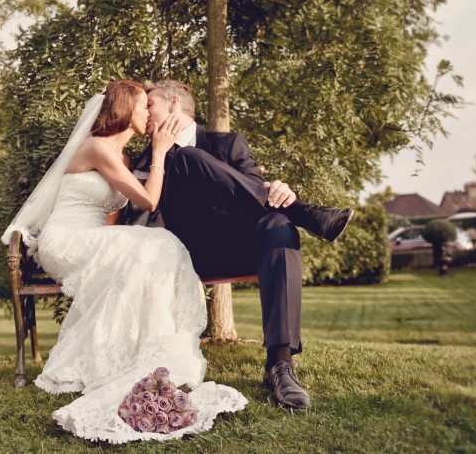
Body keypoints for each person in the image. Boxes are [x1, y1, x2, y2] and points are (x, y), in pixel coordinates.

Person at [1, 80, 247, 443]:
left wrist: (125, 251)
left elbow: (111, 221)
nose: (149, 113)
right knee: (161, 242)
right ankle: (129, 355)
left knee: (155, 247)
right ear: (124, 111)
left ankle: (153, 349)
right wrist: (161, 153)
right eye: (143, 107)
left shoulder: (125, 159)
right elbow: (148, 202)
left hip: (95, 240)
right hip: (65, 240)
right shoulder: (97, 148)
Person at [122, 80, 354, 410]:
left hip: (235, 248)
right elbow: (139, 216)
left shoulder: (228, 143)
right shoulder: (145, 161)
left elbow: (259, 195)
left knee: (278, 223)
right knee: (188, 157)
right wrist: (162, 155)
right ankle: (306, 214)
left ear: (173, 104)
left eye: (151, 106)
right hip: (185, 254)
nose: (145, 114)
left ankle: (280, 363)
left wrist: (280, 193)